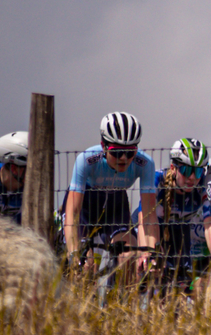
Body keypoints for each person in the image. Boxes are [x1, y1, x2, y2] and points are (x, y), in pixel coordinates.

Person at [63, 111, 160, 273]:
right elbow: (73, 211)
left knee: (129, 258)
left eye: (130, 152)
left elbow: (148, 214)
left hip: (116, 204)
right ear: (104, 146)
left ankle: (118, 296)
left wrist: (150, 253)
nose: (123, 158)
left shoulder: (145, 163)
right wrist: (74, 253)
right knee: (84, 266)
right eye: (116, 152)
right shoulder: (86, 160)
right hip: (86, 204)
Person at [150, 138, 211, 286]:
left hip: (179, 235)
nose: (192, 177)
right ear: (173, 168)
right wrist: (152, 253)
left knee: (180, 289)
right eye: (186, 170)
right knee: (149, 275)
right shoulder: (158, 181)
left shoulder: (202, 185)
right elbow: (147, 219)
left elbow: (210, 224)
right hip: (151, 230)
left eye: (198, 171)